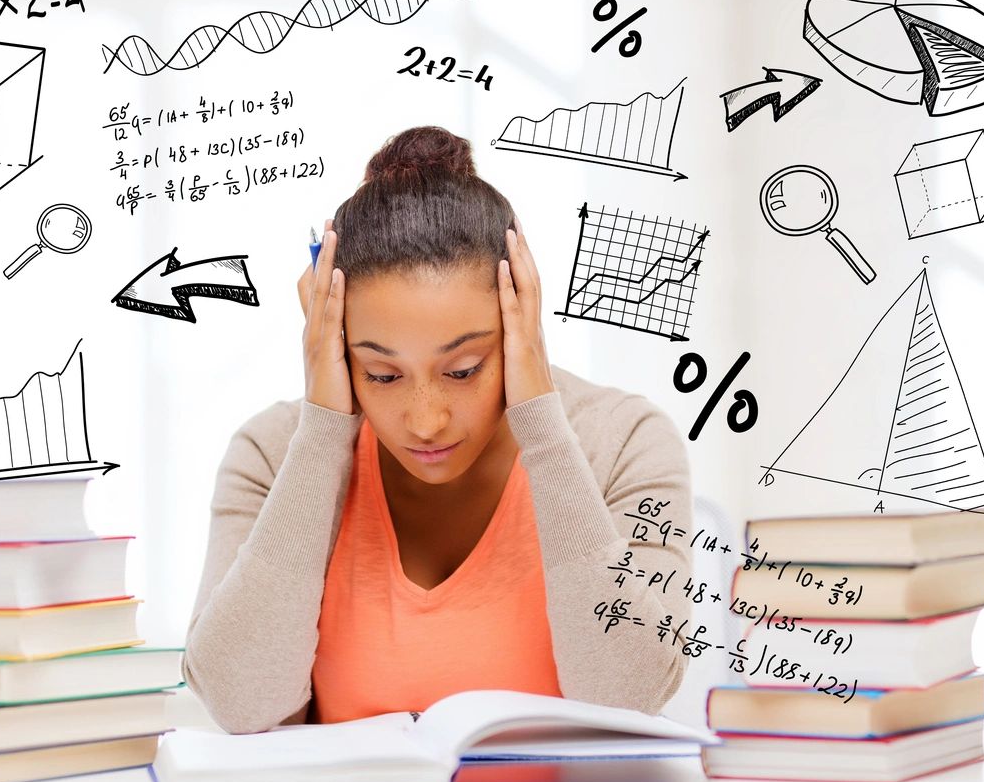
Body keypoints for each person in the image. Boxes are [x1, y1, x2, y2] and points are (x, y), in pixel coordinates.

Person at [184, 126, 694, 734]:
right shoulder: (270, 455)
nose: (426, 422)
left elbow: (627, 696)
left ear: (519, 322)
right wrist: (323, 433)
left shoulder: (625, 441)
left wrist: (541, 419)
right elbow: (241, 705)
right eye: (382, 374)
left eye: (462, 369)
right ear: (337, 348)